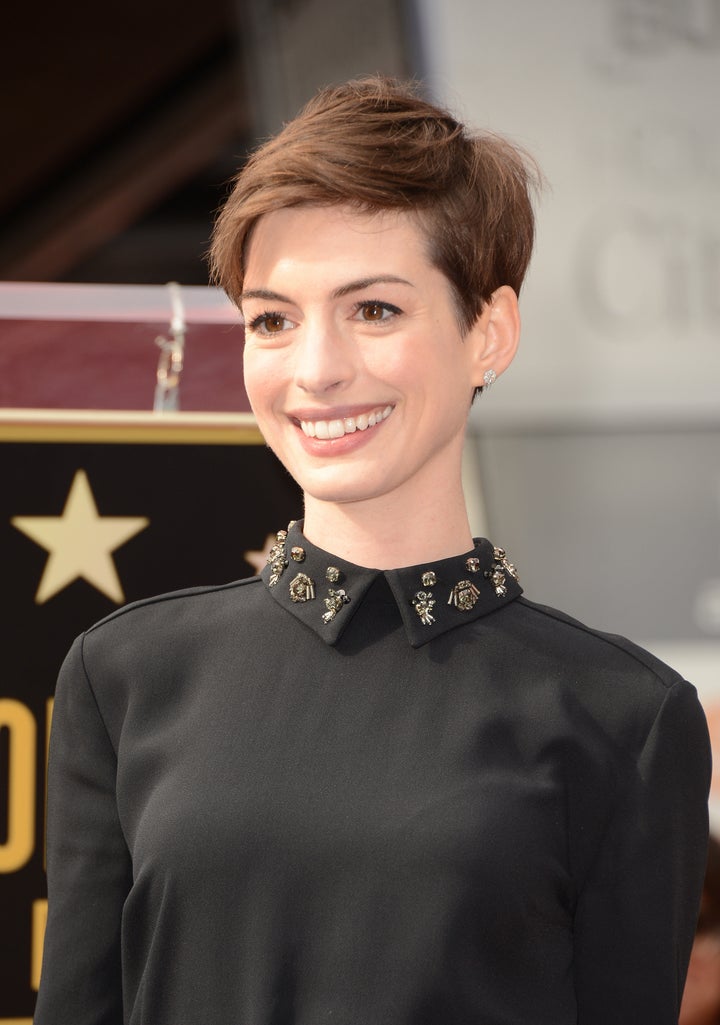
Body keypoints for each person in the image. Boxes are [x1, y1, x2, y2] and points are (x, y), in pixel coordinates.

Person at [35, 76, 710, 1025]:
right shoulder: (126, 678)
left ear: (490, 331)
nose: (315, 369)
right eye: (274, 319)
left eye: (375, 310)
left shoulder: (623, 722)